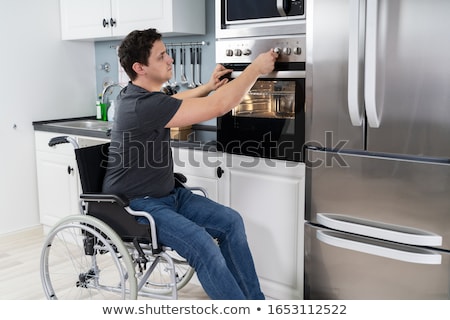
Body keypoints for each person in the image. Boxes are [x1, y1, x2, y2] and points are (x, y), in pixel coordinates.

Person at [102, 28, 278, 300]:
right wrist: (255, 68)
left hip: (169, 195)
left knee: (231, 222)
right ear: (140, 67)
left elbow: (172, 102)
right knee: (203, 245)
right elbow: (219, 106)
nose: (170, 59)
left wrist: (207, 87)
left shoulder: (138, 97)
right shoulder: (141, 105)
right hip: (138, 205)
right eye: (161, 56)